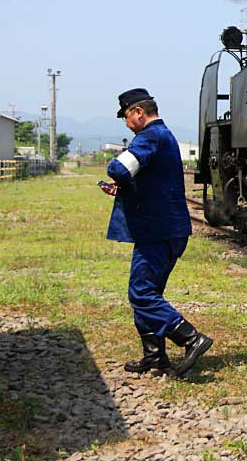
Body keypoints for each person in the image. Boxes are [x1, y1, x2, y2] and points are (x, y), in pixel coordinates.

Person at [104, 88, 212, 377]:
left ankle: (190, 338)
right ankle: (154, 355)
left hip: (158, 231)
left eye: (126, 116)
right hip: (166, 229)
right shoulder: (164, 136)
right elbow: (147, 177)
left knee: (141, 294)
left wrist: (115, 168)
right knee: (147, 293)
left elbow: (120, 168)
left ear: (139, 112)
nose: (126, 123)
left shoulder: (150, 137)